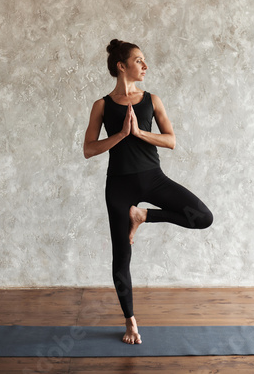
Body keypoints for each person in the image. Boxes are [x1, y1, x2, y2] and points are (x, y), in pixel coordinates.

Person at [83, 39, 213, 345]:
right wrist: (120, 135)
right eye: (139, 60)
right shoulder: (101, 105)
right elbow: (89, 149)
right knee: (121, 258)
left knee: (202, 217)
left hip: (153, 178)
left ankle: (143, 216)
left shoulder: (151, 100)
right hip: (119, 186)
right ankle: (130, 322)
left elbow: (171, 141)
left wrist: (139, 133)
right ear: (121, 66)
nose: (145, 65)